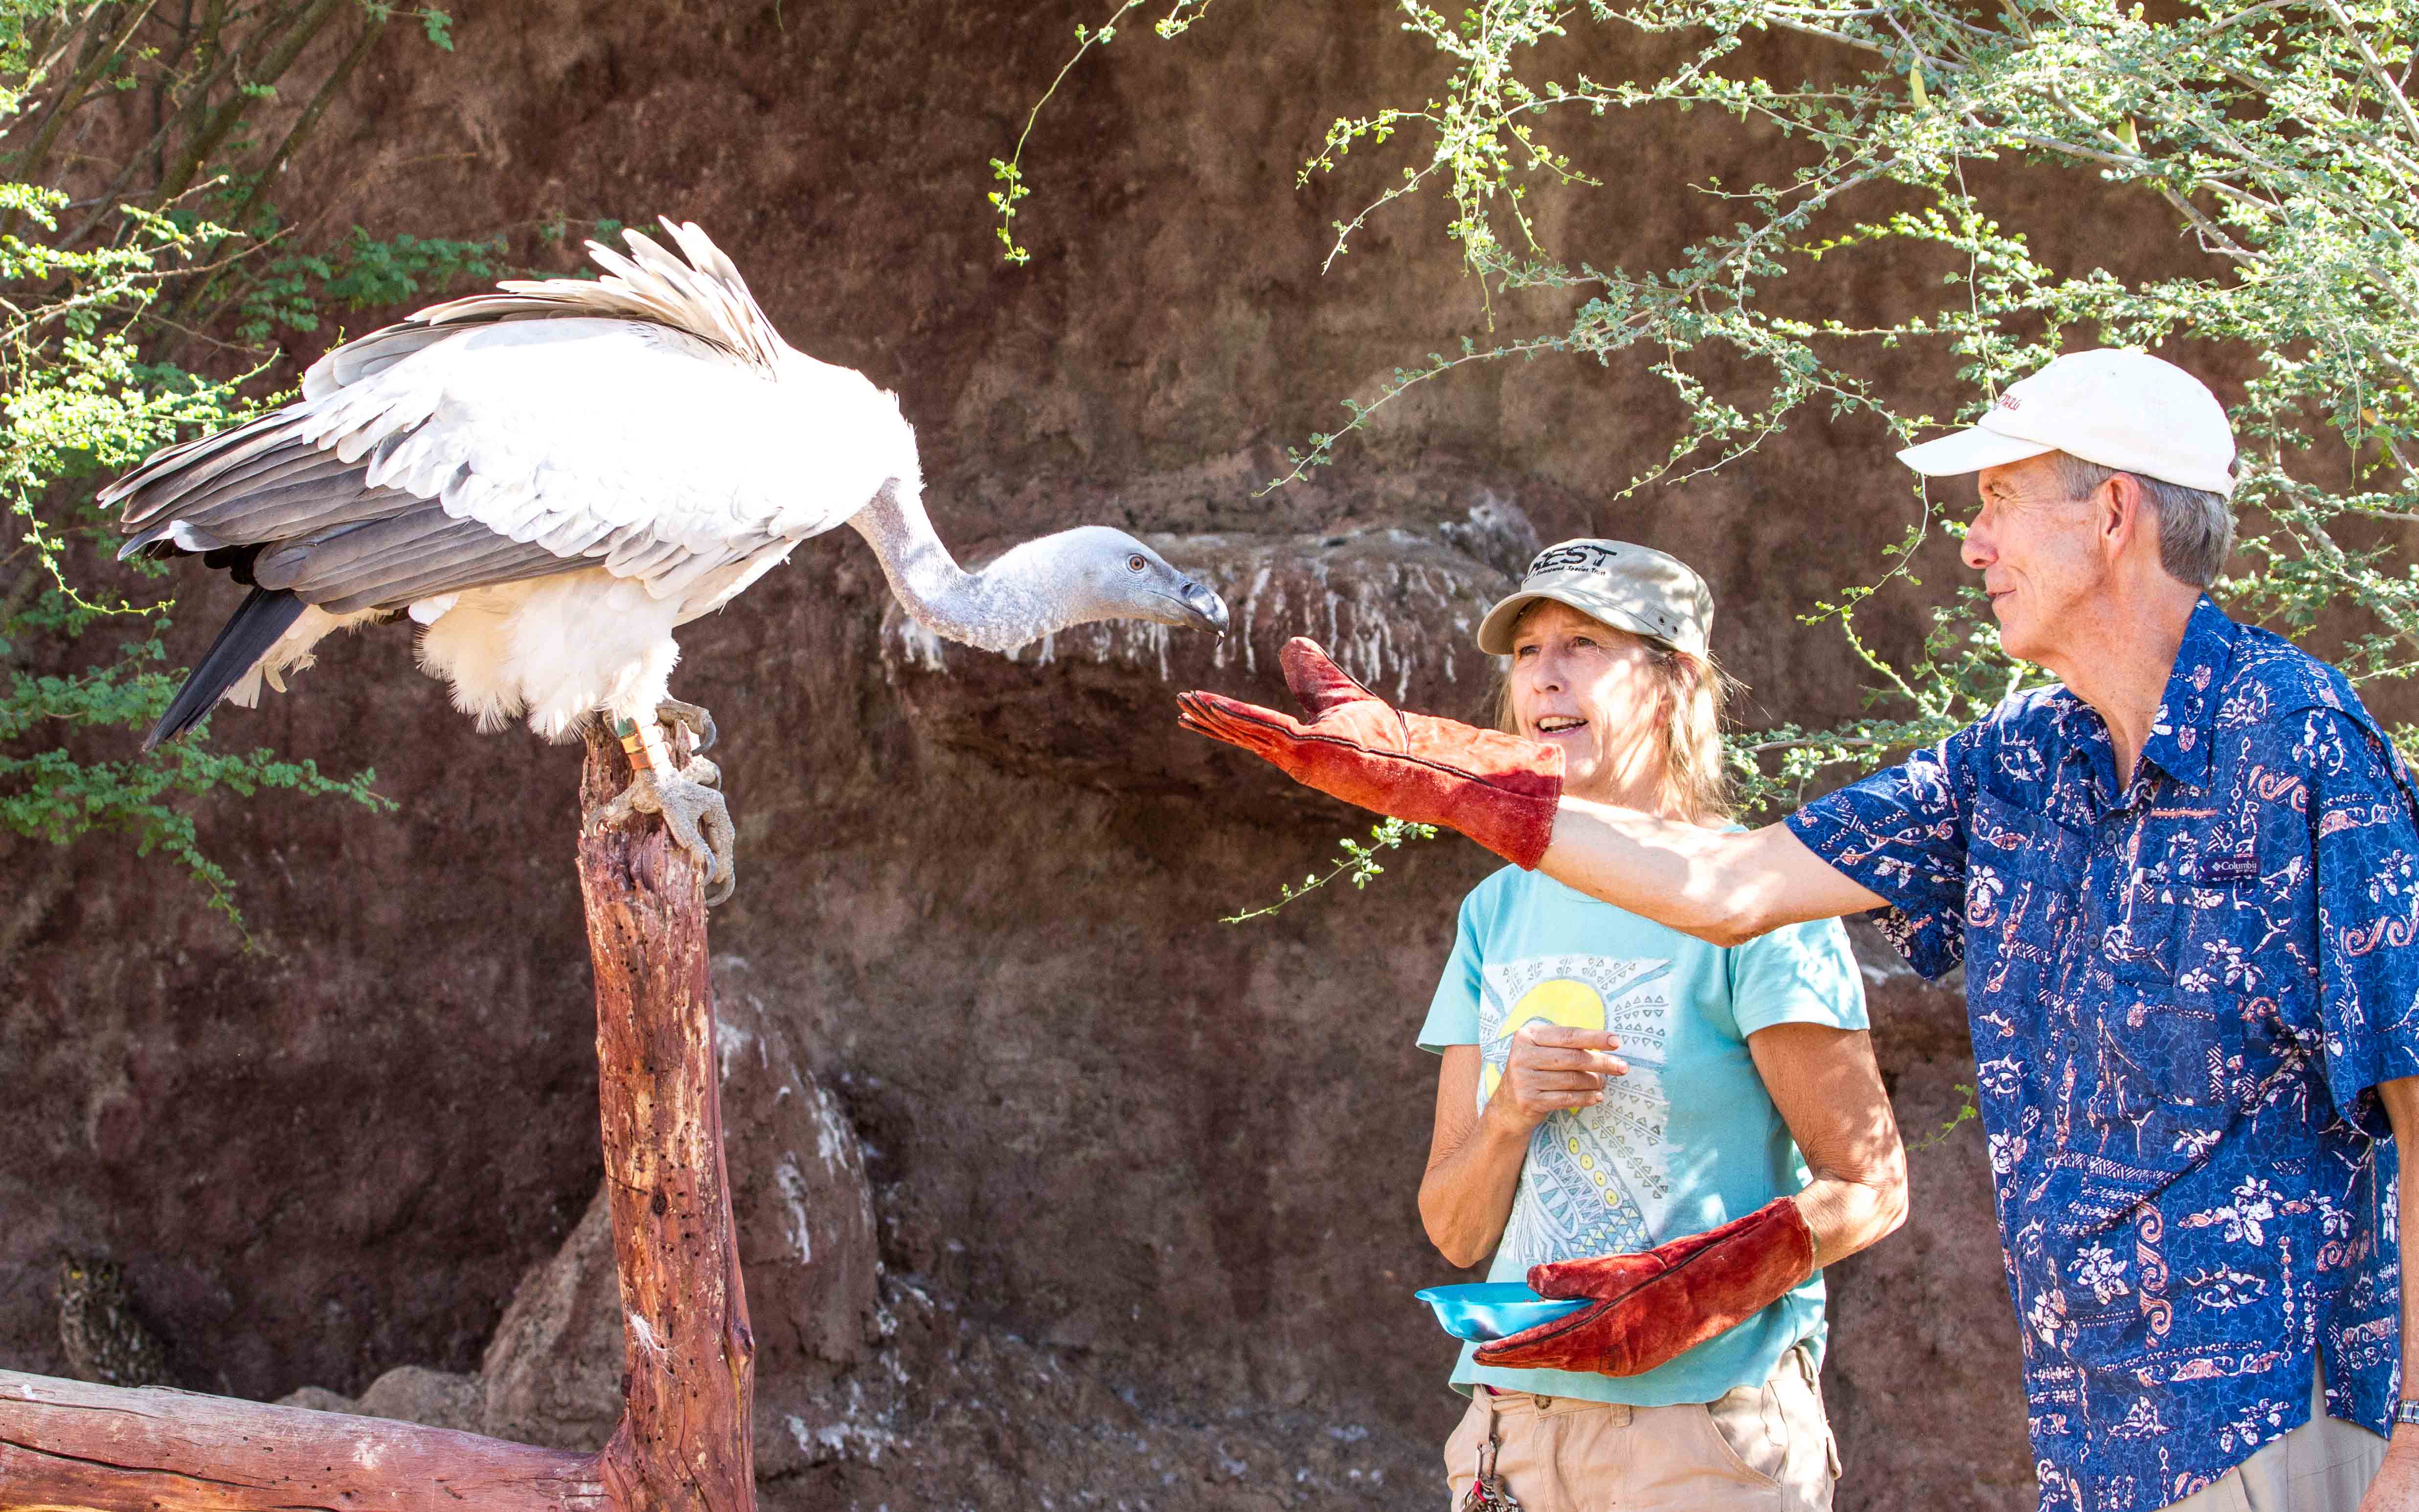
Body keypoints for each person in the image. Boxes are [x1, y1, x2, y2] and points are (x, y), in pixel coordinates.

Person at [1179, 348, 2419, 1512]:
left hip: (2275, 1417)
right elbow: (1732, 883)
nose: (1973, 544)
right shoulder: (2023, 761)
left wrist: (2418, 1433)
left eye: (1997, 501)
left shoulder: (2300, 745)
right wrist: (1450, 780)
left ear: (2112, 519)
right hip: (2095, 1431)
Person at [1414, 541, 1905, 1512]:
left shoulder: (1765, 893)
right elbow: (1454, 1233)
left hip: (1702, 1439)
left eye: (1584, 643)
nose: (1544, 675)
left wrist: (1687, 1289)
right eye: (1526, 651)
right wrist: (1510, 1111)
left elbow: (1869, 1190)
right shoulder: (1491, 912)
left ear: (1677, 678)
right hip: (1512, 1433)